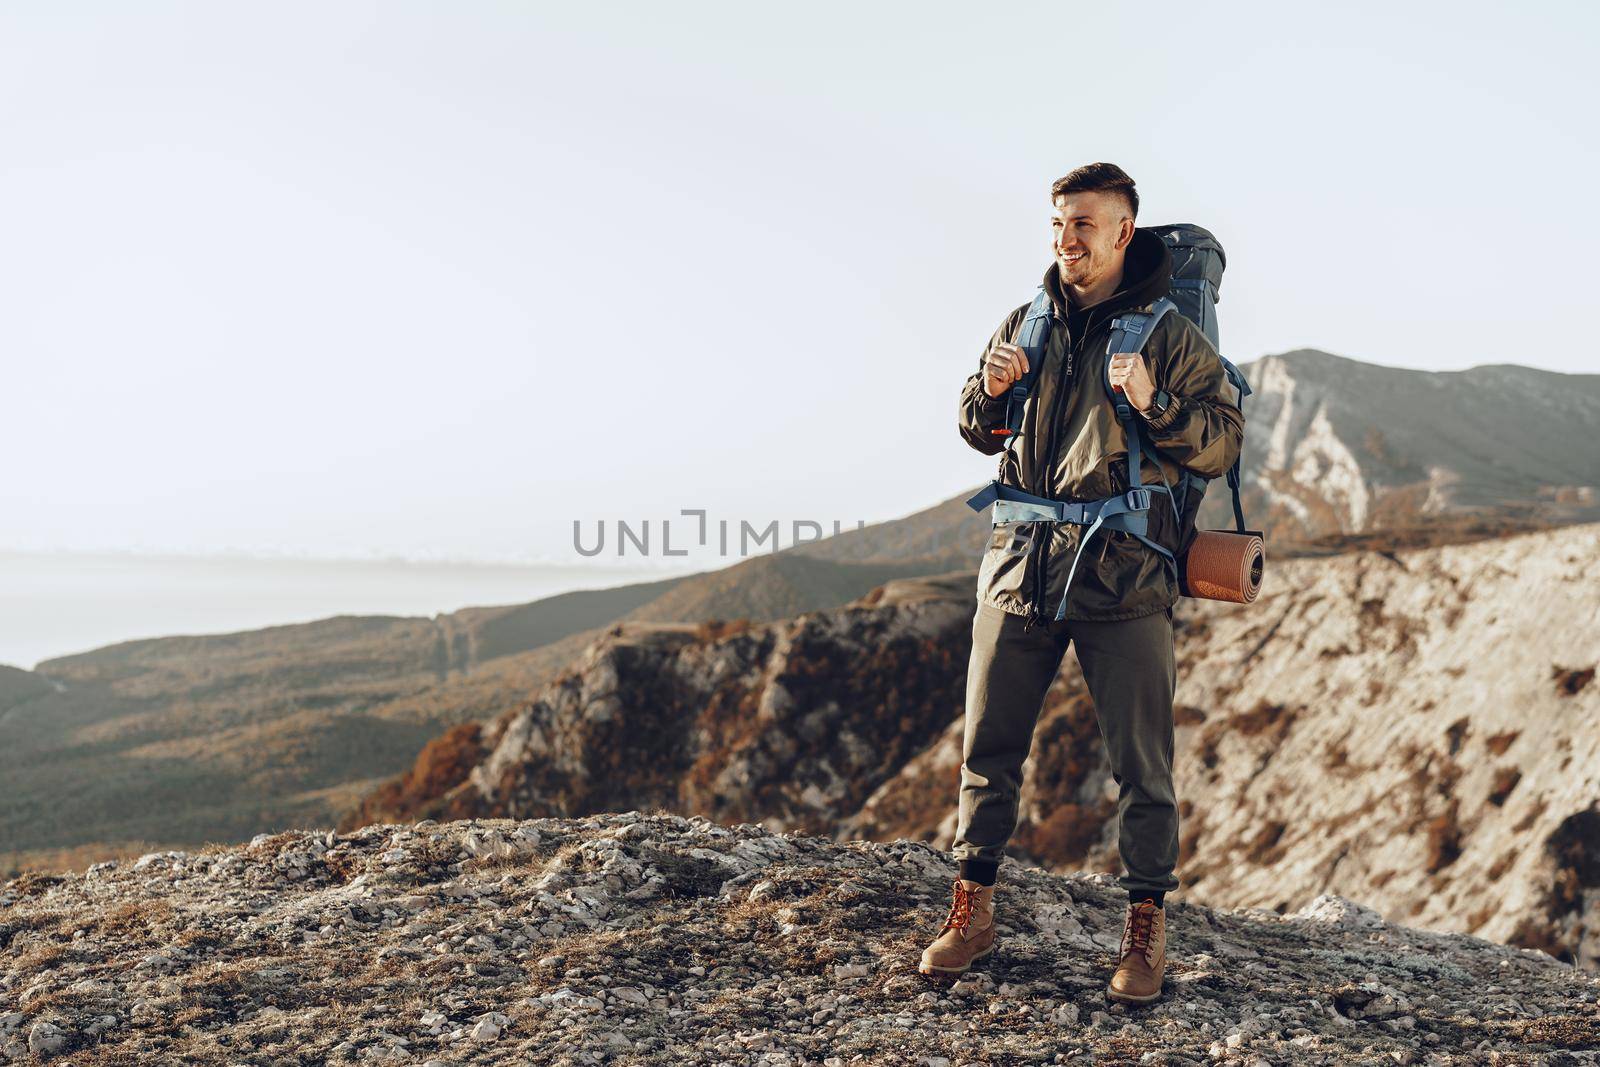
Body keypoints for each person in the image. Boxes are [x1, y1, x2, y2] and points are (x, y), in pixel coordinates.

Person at [918, 162, 1244, 1004]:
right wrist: (987, 396)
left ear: (1124, 232)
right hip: (1020, 567)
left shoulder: (1167, 331)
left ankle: (1144, 929)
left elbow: (1222, 442)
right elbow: (976, 427)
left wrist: (1156, 402)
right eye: (1059, 224)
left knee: (1142, 767)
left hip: (1124, 574)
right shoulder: (1027, 320)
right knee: (987, 751)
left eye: (1085, 225)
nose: (1067, 239)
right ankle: (972, 909)